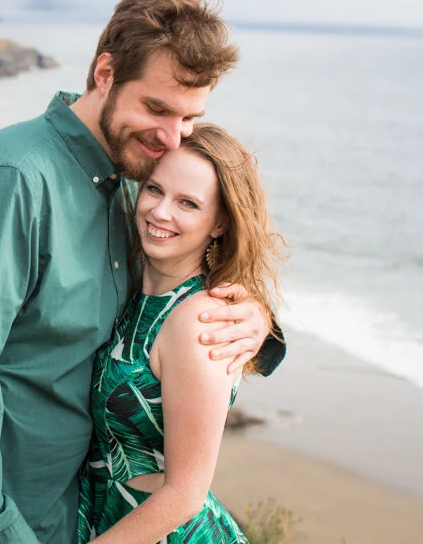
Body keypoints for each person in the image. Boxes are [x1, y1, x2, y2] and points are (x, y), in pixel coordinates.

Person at [0, 0, 285, 544]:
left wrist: (258, 321)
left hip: (69, 514)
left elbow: (166, 302)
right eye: (157, 108)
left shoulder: (134, 184)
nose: (172, 138)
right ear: (104, 75)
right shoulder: (14, 178)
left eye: (189, 119)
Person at [77, 123, 285, 543]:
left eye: (188, 203)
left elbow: (185, 494)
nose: (160, 212)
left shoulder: (199, 322)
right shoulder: (133, 285)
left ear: (220, 223)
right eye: (155, 190)